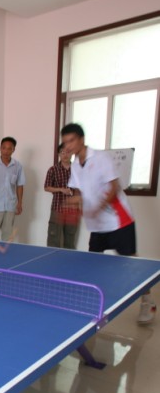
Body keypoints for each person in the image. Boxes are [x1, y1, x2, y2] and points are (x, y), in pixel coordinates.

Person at [61, 122, 155, 325]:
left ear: (81, 139)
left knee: (133, 264)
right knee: (93, 263)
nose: (67, 146)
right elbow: (78, 191)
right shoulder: (76, 165)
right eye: (64, 143)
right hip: (97, 225)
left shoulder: (101, 158)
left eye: (71, 141)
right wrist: (75, 203)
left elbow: (114, 186)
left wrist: (98, 206)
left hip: (118, 220)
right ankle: (94, 304)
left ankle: (148, 301)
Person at [44, 143, 79, 249]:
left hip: (72, 210)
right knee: (53, 238)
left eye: (68, 152)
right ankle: (52, 262)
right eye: (62, 152)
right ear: (59, 154)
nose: (65, 155)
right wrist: (60, 189)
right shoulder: (53, 169)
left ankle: (69, 263)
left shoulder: (78, 170)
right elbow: (46, 187)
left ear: (72, 153)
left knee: (70, 239)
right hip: (57, 208)